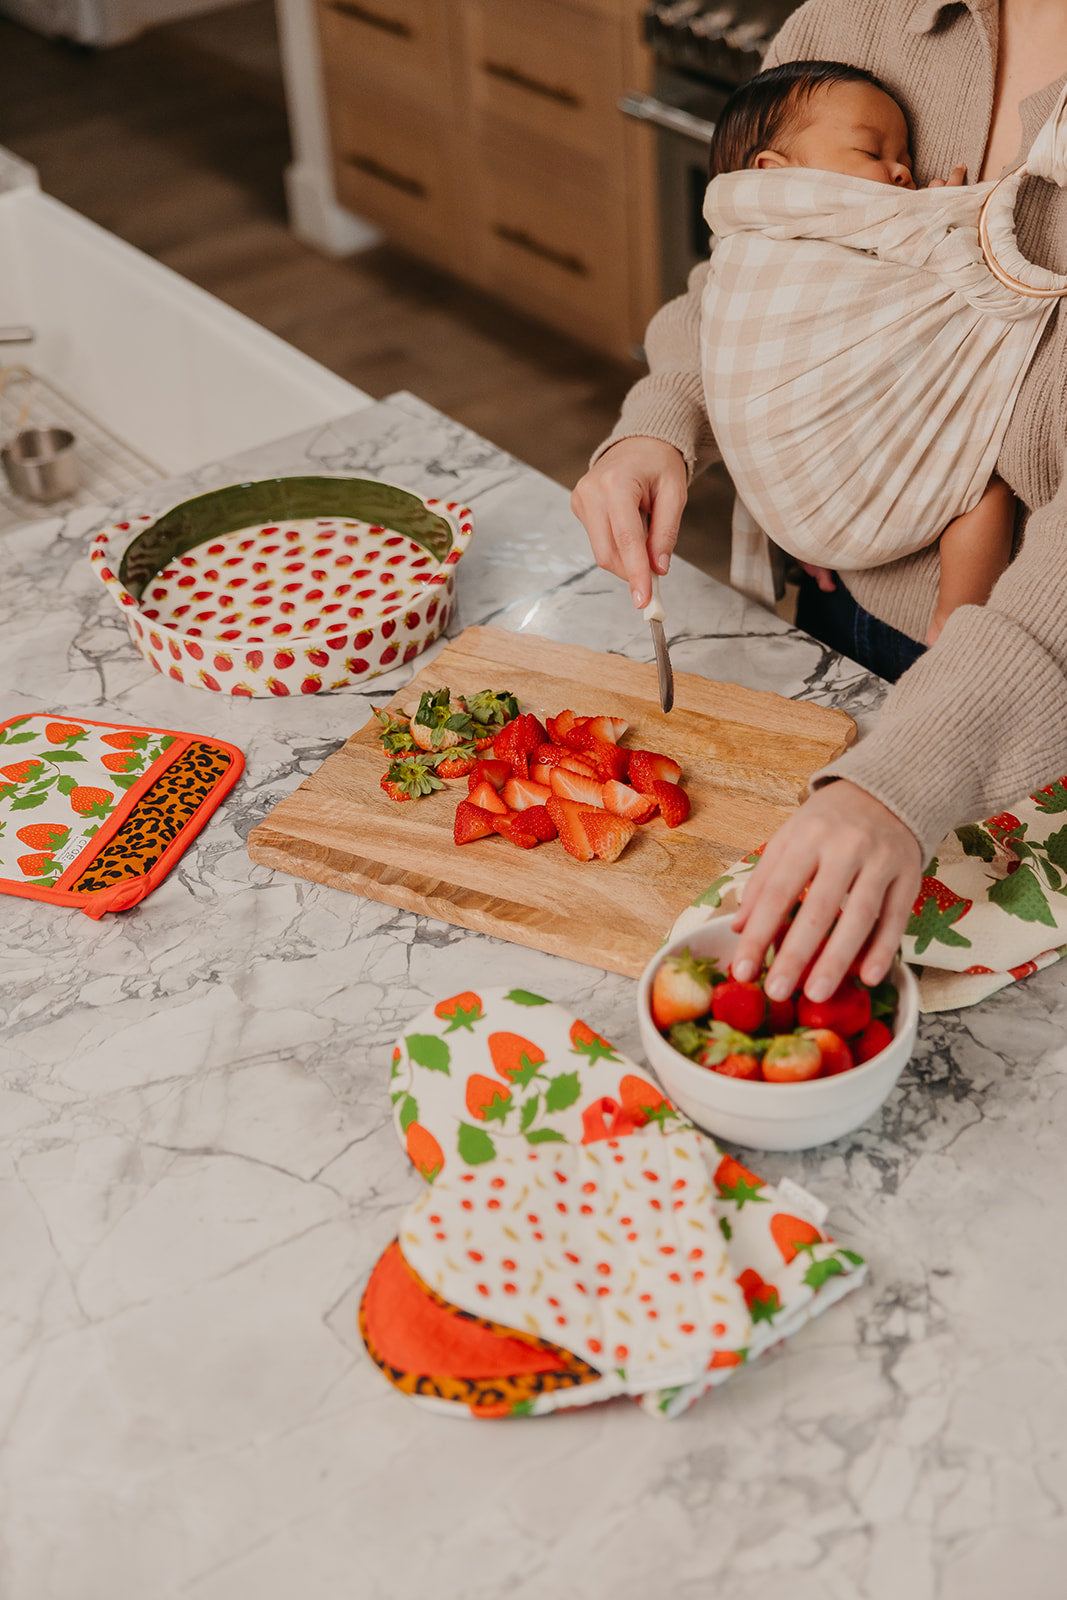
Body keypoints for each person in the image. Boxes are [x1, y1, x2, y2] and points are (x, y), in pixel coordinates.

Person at [570, 0, 1067, 1007]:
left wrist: (913, 772)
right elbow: (757, 274)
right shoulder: (861, 17)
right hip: (842, 615)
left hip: (1027, 686)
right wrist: (660, 417)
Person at [704, 58, 1017, 648]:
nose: (902, 171)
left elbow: (902, 303)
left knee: (985, 486)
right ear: (776, 175)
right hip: (811, 526)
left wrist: (922, 224)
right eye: (873, 153)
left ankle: (954, 619)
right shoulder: (756, 251)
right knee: (982, 491)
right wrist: (942, 222)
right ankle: (958, 621)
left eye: (902, 154)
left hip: (833, 562)